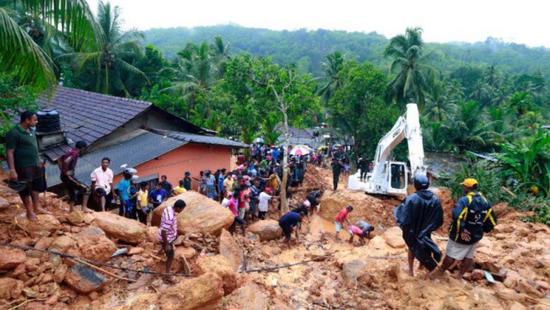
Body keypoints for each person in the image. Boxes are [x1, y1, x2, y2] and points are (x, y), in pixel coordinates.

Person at [432, 178, 497, 279]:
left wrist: (462, 230)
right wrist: (480, 229)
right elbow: (492, 220)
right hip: (475, 236)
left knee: (450, 254)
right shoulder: (485, 201)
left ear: (467, 188)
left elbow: (456, 216)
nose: (463, 187)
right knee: (468, 256)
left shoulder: (465, 200)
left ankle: (440, 272)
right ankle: (459, 275)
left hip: (461, 235)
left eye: (464, 186)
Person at [394, 174, 443, 278]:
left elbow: (404, 217)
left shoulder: (411, 199)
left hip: (413, 231)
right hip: (426, 232)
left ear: (415, 185)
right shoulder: (435, 199)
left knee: (412, 248)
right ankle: (423, 269)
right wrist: (429, 228)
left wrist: (406, 228)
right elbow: (439, 218)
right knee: (426, 247)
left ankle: (411, 270)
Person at [5, 111, 49, 220]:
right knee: (25, 189)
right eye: (35, 120)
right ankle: (29, 212)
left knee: (36, 186)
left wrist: (39, 160)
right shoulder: (14, 133)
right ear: (27, 120)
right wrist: (12, 169)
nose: (36, 122)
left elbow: (34, 147)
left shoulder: (31, 130)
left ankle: (37, 207)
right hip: (23, 166)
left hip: (36, 165)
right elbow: (9, 152)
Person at [58, 141, 90, 212]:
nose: (84, 151)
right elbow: (66, 161)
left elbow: (59, 159)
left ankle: (71, 210)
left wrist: (62, 171)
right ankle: (84, 207)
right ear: (82, 148)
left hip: (63, 176)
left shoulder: (70, 151)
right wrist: (66, 172)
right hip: (69, 177)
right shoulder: (75, 153)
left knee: (72, 192)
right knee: (87, 189)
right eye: (84, 149)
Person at [159, 199, 187, 281]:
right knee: (171, 256)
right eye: (182, 209)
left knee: (167, 250)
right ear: (178, 208)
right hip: (166, 238)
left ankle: (162, 249)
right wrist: (167, 244)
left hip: (168, 236)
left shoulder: (168, 208)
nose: (182, 211)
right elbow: (164, 231)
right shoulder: (170, 218)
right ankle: (167, 274)